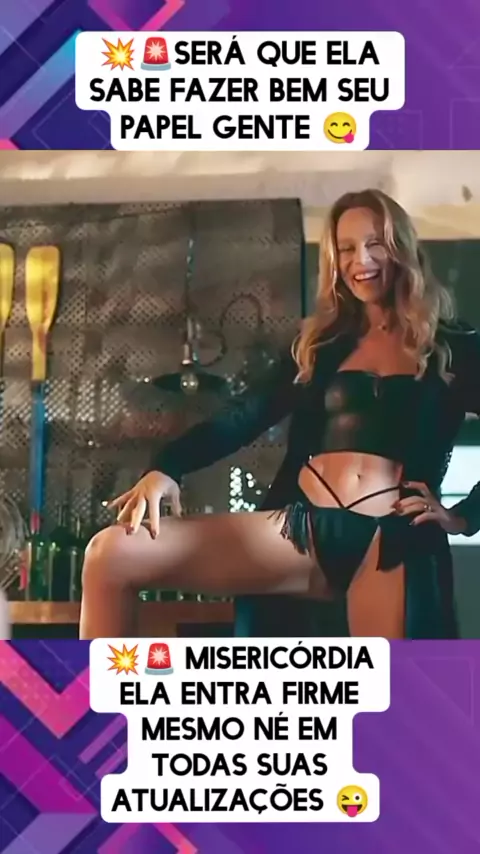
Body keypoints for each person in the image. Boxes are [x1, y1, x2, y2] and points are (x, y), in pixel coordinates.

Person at [79, 189, 480, 641]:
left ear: (401, 247)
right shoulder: (319, 346)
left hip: (392, 536)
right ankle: (97, 689)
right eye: (346, 248)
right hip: (302, 527)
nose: (361, 260)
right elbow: (242, 417)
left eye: (375, 244)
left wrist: (464, 516)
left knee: (392, 680)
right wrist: (167, 466)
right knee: (109, 554)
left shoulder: (455, 347)